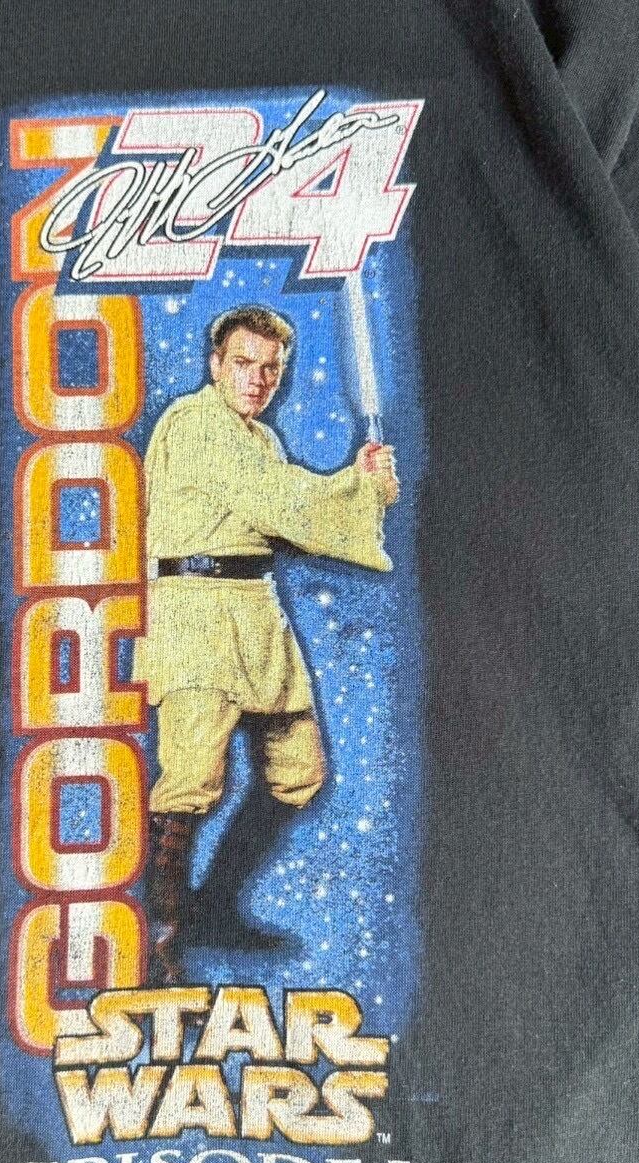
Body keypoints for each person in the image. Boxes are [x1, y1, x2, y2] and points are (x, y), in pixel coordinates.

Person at [135, 304, 400, 983]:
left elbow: (279, 522)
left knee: (298, 771)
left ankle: (215, 907)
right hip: (195, 613)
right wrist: (358, 487)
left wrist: (363, 489)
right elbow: (278, 502)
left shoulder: (260, 440)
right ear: (215, 365)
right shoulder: (194, 424)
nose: (258, 379)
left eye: (271, 369)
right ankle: (159, 937)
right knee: (192, 779)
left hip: (255, 610)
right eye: (244, 363)